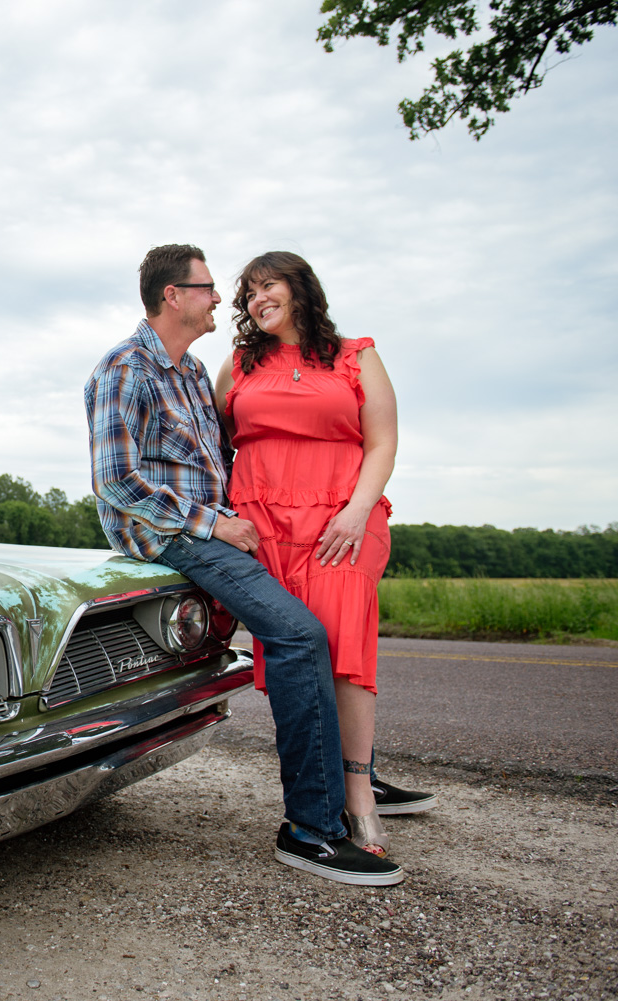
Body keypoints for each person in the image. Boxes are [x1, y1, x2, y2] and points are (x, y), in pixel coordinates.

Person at [85, 244, 403, 886]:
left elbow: (231, 455)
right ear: (173, 296)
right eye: (208, 287)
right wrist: (219, 524)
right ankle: (311, 830)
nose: (221, 300)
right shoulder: (125, 369)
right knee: (298, 635)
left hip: (232, 529)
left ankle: (339, 790)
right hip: (170, 536)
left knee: (308, 634)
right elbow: (115, 483)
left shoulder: (194, 374)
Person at [215, 251, 436, 857]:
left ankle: (358, 797)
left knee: (344, 650)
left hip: (342, 522)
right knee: (300, 653)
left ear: (301, 288)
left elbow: (384, 441)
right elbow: (215, 447)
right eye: (249, 293)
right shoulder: (237, 366)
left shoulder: (354, 354)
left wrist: (357, 511)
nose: (259, 300)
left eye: (270, 286)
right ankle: (335, 776)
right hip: (263, 527)